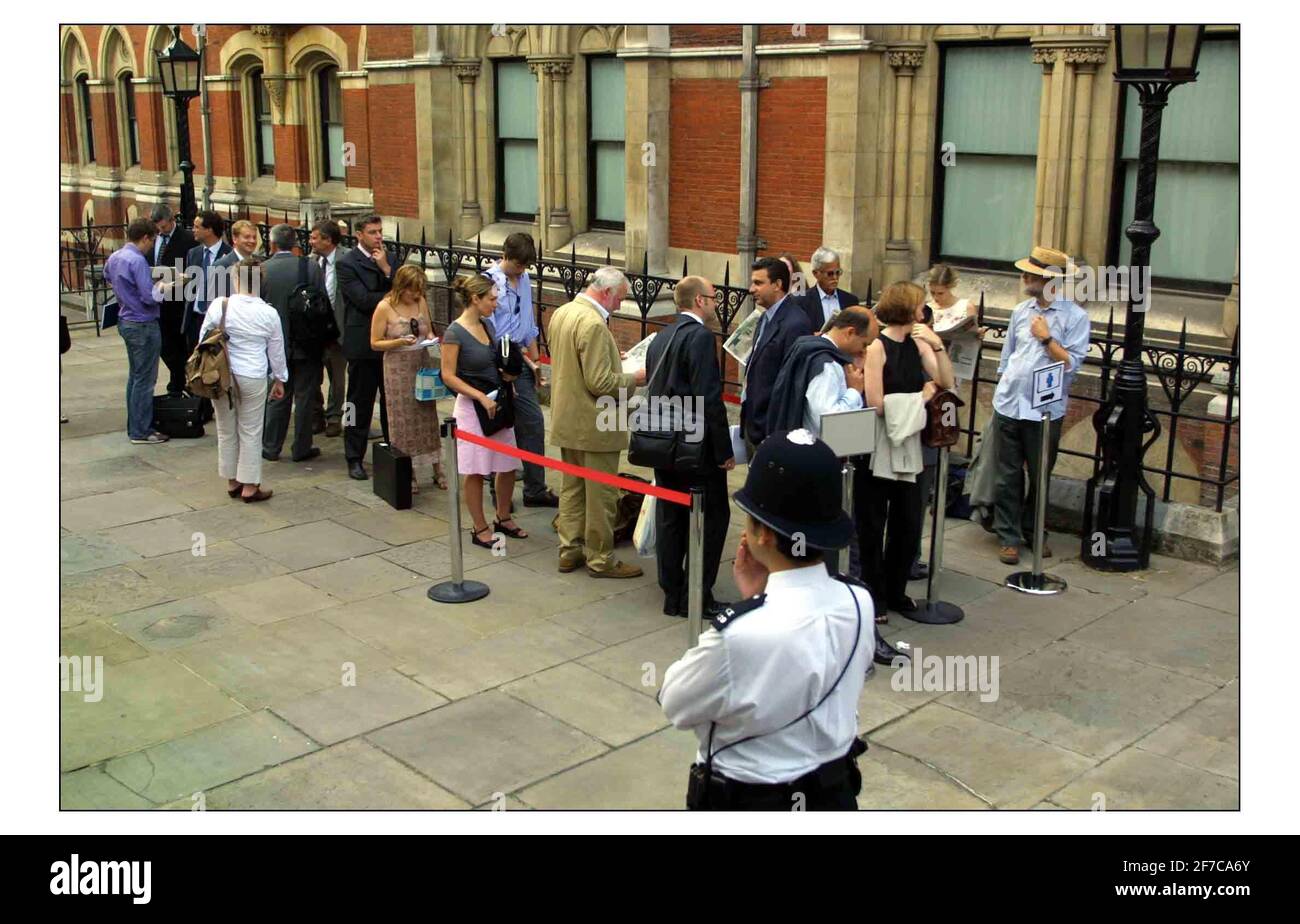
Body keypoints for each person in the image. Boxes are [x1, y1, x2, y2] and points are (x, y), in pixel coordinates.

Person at [660, 429, 872, 811]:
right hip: (834, 796)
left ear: (760, 534)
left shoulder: (738, 634)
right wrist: (760, 599)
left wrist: (756, 604)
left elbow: (676, 703)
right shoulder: (859, 602)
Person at [992, 245, 1090, 565]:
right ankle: (1007, 535)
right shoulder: (1021, 311)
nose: (1024, 277)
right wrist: (1005, 383)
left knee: (1040, 475)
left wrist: (1047, 339)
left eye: (1030, 274)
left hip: (1044, 411)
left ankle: (1035, 533)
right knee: (1006, 475)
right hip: (1009, 404)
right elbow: (1007, 357)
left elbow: (1072, 364)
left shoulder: (1075, 317)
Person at [860, 282, 954, 619]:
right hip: (880, 445)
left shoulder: (918, 342)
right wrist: (922, 398)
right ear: (906, 307)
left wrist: (938, 346)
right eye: (919, 303)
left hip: (909, 443)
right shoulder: (877, 348)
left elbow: (946, 381)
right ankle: (875, 596)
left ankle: (896, 590)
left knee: (908, 522)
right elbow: (876, 403)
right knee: (872, 523)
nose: (924, 308)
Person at [548, 267, 647, 578]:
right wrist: (635, 378)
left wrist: (609, 357)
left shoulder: (563, 312)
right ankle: (600, 559)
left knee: (572, 490)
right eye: (620, 299)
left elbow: (574, 363)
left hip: (568, 418)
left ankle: (569, 551)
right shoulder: (593, 323)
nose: (619, 305)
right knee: (601, 496)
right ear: (607, 292)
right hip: (595, 424)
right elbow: (601, 383)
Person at [644, 276, 734, 618]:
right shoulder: (698, 337)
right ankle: (696, 595)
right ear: (699, 301)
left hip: (663, 443)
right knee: (710, 519)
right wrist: (724, 450)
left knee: (671, 517)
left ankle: (672, 592)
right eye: (713, 297)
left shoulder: (662, 336)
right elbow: (709, 398)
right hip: (695, 448)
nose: (715, 303)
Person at [439, 273, 528, 547]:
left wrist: (507, 380)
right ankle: (480, 528)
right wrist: (479, 396)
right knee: (476, 470)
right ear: (475, 299)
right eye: (491, 299)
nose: (495, 303)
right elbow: (448, 375)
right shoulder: (454, 332)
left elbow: (495, 360)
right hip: (472, 408)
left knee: (508, 464)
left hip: (496, 402)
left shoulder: (487, 325)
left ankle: (503, 516)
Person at [197, 255, 288, 502]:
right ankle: (250, 486)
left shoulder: (220, 305)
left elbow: (203, 340)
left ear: (236, 278)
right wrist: (279, 379)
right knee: (251, 430)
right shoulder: (269, 314)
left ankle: (232, 481)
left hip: (221, 375)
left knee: (226, 429)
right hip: (253, 375)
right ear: (260, 282)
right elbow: (276, 351)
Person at [484, 232, 559, 509]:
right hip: (498, 360)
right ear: (506, 256)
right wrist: (503, 370)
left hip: (522, 357)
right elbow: (488, 329)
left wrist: (536, 361)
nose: (522, 270)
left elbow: (527, 320)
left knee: (533, 422)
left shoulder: (525, 279)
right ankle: (496, 488)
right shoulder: (489, 281)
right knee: (500, 425)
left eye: (525, 266)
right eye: (518, 265)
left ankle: (535, 488)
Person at [370, 264, 447, 493]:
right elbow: (375, 342)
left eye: (419, 290)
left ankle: (436, 466)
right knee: (403, 418)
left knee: (426, 415)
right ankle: (408, 470)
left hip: (420, 361)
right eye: (412, 290)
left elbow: (429, 330)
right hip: (397, 366)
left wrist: (432, 339)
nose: (416, 294)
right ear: (401, 287)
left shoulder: (420, 302)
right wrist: (398, 342)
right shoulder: (385, 307)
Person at [260, 224, 329, 463]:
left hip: (274, 344)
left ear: (273, 244)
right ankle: (301, 447)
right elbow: (322, 305)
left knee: (278, 393)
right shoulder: (310, 267)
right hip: (307, 343)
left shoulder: (261, 269)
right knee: (305, 396)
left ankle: (270, 446)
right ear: (296, 244)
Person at [338, 215, 397, 480]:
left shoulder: (390, 259)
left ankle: (392, 451)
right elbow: (362, 300)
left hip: (390, 343)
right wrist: (389, 293)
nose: (378, 237)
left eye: (380, 231)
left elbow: (405, 291)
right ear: (359, 234)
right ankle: (354, 456)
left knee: (391, 402)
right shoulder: (347, 263)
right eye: (372, 232)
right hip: (362, 343)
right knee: (358, 403)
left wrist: (387, 270)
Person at [103, 218, 169, 445]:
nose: (152, 246)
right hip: (143, 322)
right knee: (145, 379)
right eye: (152, 241)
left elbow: (107, 276)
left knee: (135, 376)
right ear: (145, 238)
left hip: (126, 320)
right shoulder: (137, 260)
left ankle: (135, 425)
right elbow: (149, 297)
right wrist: (163, 287)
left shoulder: (115, 256)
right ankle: (141, 430)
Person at [766, 305, 875, 435]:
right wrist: (854, 391)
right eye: (864, 344)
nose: (864, 351)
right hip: (815, 448)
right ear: (850, 332)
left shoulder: (808, 347)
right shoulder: (827, 366)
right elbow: (827, 422)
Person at [740, 256, 810, 453]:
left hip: (771, 430)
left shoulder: (795, 323)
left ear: (778, 284)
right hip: (754, 424)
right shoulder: (765, 317)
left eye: (758, 283)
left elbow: (791, 383)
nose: (751, 289)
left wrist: (773, 431)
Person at [147, 203, 196, 395]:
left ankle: (178, 384)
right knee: (164, 347)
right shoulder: (153, 238)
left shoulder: (187, 239)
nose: (161, 230)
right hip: (157, 300)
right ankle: (177, 379)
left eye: (164, 227)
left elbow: (192, 269)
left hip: (177, 300)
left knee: (178, 345)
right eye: (158, 227)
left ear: (172, 220)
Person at [308, 218, 349, 438]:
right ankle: (317, 414)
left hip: (339, 329)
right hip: (316, 330)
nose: (311, 242)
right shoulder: (311, 261)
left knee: (337, 377)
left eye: (315, 238)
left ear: (328, 240)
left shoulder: (347, 259)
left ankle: (334, 417)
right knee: (314, 374)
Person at [181, 211, 231, 356]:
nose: (193, 230)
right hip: (195, 319)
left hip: (217, 321)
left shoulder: (229, 256)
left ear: (209, 230)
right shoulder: (193, 253)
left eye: (197, 227)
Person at [799, 246, 861, 335]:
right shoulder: (802, 301)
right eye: (830, 274)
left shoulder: (850, 300)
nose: (835, 278)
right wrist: (812, 337)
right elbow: (797, 334)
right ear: (816, 273)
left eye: (838, 272)